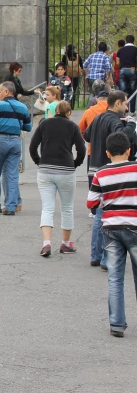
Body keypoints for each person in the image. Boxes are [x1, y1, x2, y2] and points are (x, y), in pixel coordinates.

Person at [86, 131, 137, 338]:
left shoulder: (101, 173)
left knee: (115, 278)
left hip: (111, 228)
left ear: (107, 153)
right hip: (135, 226)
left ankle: (117, 323)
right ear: (129, 150)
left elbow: (91, 202)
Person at [84, 91, 137, 270]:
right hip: (109, 170)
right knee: (107, 214)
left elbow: (86, 135)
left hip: (94, 168)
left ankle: (95, 254)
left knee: (99, 213)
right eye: (125, 104)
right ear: (117, 104)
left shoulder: (98, 117)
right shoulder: (115, 119)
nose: (126, 107)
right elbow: (121, 137)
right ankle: (107, 256)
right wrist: (131, 124)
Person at [29, 101, 86, 257]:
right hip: (66, 170)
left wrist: (38, 162)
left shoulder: (44, 124)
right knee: (67, 208)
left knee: (47, 207)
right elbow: (82, 150)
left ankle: (46, 244)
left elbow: (32, 147)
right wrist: (75, 164)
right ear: (69, 113)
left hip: (45, 170)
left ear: (55, 112)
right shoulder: (73, 127)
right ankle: (65, 244)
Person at [0, 81, 32, 216]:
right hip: (15, 141)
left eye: (0, 91)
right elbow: (28, 127)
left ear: (7, 92)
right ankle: (11, 206)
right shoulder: (23, 107)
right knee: (12, 175)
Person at [79, 80, 111, 219]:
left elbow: (81, 130)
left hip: (93, 151)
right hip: (111, 151)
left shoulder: (89, 111)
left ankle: (94, 209)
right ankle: (109, 205)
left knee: (94, 180)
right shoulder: (111, 112)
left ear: (97, 99)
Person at [117, 35, 137, 112]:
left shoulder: (121, 50)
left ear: (126, 41)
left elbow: (118, 62)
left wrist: (120, 68)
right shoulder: (135, 49)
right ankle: (132, 110)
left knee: (123, 91)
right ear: (133, 41)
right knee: (132, 90)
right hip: (132, 69)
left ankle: (124, 110)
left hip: (123, 70)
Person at [62, 44, 84, 109]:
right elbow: (82, 66)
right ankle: (72, 106)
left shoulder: (65, 56)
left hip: (67, 77)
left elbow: (62, 66)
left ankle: (66, 105)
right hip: (76, 76)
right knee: (73, 90)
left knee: (66, 90)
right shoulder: (77, 56)